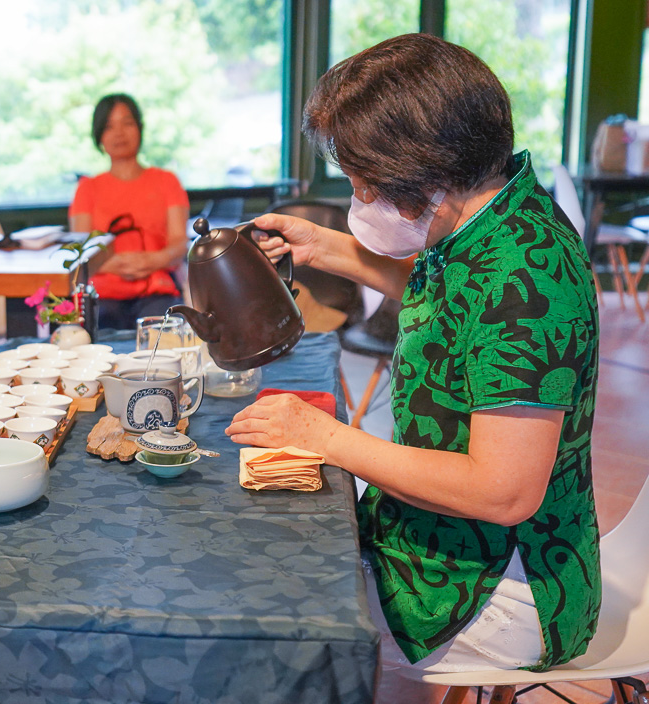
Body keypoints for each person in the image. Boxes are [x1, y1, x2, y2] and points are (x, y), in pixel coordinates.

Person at [226, 34, 600, 673]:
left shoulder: (528, 281)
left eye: (365, 183)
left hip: (502, 578)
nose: (359, 201)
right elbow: (457, 308)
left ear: (425, 168)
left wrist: (324, 436)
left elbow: (504, 492)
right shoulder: (494, 215)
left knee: (273, 614)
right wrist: (323, 246)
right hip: (447, 538)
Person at [68, 94, 190, 330]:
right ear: (99, 136)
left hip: (157, 289)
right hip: (103, 294)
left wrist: (154, 260)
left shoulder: (167, 181)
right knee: (98, 327)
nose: (119, 133)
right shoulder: (87, 188)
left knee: (162, 330)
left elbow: (179, 243)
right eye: (109, 126)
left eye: (127, 123)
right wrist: (118, 264)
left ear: (140, 128)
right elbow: (81, 251)